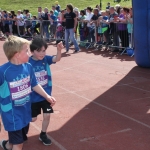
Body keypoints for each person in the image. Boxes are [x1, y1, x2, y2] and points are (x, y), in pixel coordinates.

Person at [0, 35, 56, 150]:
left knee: (18, 139)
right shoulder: (3, 71)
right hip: (12, 114)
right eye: (26, 51)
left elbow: (34, 84)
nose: (29, 54)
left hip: (26, 111)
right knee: (18, 144)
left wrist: (47, 96)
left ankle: (6, 145)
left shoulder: (28, 67)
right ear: (17, 55)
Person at [29, 37, 63, 145]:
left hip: (46, 95)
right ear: (32, 51)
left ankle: (43, 134)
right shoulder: (28, 63)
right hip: (33, 96)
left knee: (47, 115)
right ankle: (19, 131)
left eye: (43, 50)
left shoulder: (45, 59)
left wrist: (59, 50)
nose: (42, 53)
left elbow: (56, 59)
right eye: (38, 51)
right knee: (33, 119)